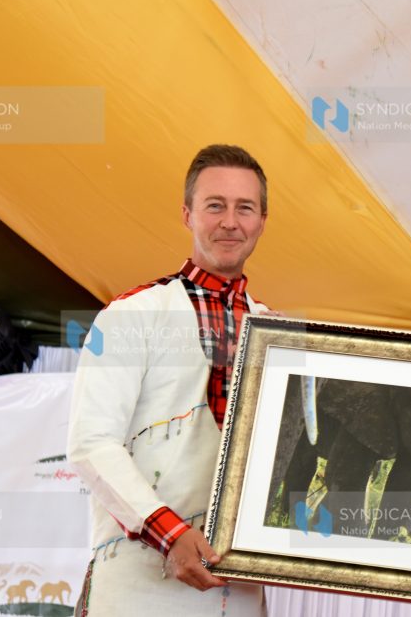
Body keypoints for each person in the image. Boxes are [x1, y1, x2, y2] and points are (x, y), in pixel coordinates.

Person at [68, 144, 271, 615]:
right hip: (135, 588)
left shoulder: (277, 333)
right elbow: (91, 443)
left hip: (239, 593)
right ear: (187, 215)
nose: (230, 222)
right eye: (215, 205)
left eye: (245, 208)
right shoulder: (130, 314)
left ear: (263, 220)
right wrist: (171, 533)